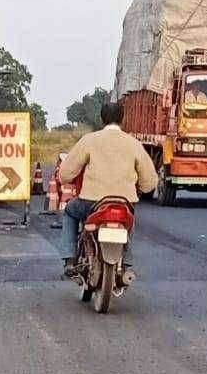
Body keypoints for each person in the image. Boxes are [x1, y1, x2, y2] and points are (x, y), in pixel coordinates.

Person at [58, 99, 158, 279]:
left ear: (102, 119)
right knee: (129, 222)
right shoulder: (133, 143)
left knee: (70, 212)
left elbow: (65, 173)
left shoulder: (89, 140)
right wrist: (141, 189)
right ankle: (126, 263)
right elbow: (150, 182)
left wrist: (67, 179)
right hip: (124, 203)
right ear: (123, 119)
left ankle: (69, 259)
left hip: (91, 203)